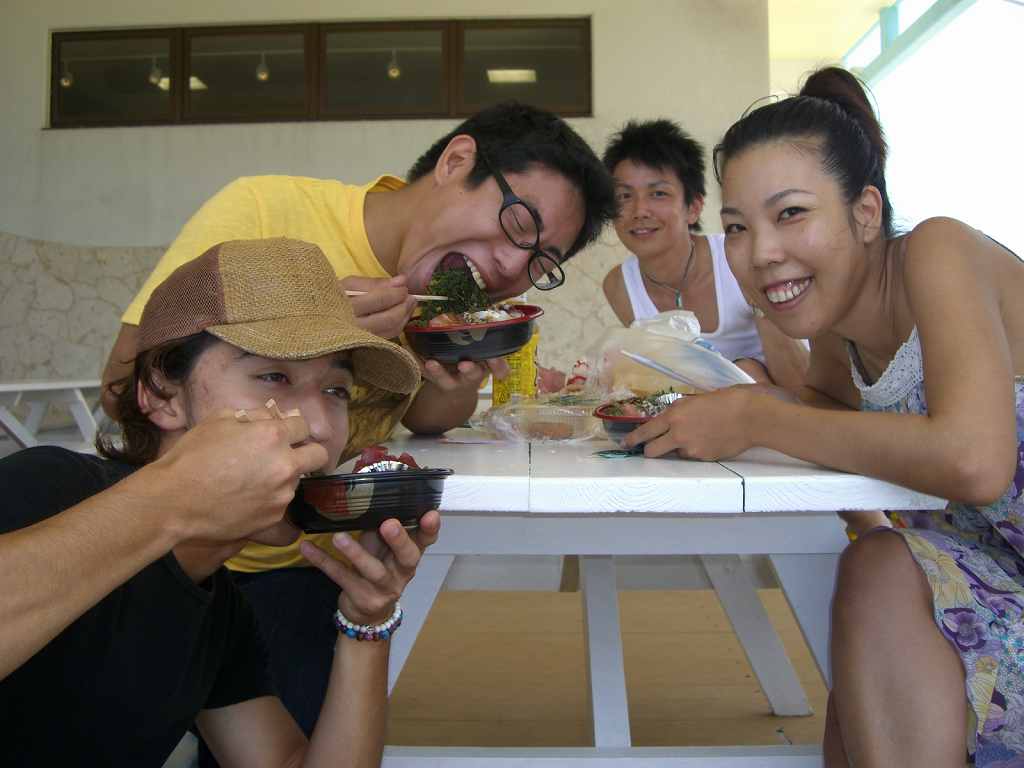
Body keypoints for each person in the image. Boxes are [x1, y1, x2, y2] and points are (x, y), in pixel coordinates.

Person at [98, 101, 618, 748]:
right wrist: (306, 319)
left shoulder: (437, 299)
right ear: (458, 161)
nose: (515, 270)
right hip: (181, 549)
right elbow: (124, 384)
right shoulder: (265, 210)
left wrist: (452, 376)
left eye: (541, 263)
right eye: (519, 224)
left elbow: (421, 420)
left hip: (306, 560)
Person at [625, 67, 1024, 766]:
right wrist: (720, 405)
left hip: (998, 572)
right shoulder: (841, 326)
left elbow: (975, 460)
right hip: (998, 572)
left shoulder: (939, 251)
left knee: (882, 578)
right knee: (877, 597)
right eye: (737, 228)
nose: (760, 253)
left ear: (866, 212)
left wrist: (756, 418)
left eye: (791, 214)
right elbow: (826, 416)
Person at [0, 238, 438, 767]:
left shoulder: (216, 610)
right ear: (161, 392)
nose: (320, 428)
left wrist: (367, 620)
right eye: (273, 376)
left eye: (336, 391)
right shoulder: (48, 488)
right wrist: (177, 498)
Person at [600, 118, 808, 389]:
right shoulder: (620, 287)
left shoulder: (739, 257)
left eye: (658, 194)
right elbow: (663, 380)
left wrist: (760, 301)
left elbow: (803, 384)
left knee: (749, 370)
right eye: (624, 196)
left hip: (777, 402)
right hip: (698, 409)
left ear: (693, 208)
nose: (639, 211)